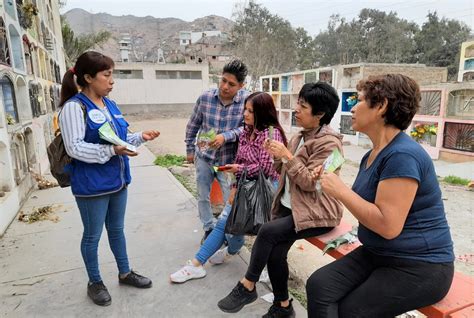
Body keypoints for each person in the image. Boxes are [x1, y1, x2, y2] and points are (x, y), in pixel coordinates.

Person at [306, 74, 455, 317]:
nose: (353, 107)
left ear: (382, 106)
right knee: (320, 286)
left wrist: (340, 191)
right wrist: (329, 183)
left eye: (361, 100)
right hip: (379, 253)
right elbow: (366, 206)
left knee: (351, 311)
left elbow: (388, 226)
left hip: (420, 265)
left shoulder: (402, 156)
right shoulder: (373, 154)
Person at [217, 82, 344, 318]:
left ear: (320, 114)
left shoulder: (330, 145)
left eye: (303, 106)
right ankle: (283, 306)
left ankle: (247, 285)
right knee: (275, 254)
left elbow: (311, 183)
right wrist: (277, 157)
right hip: (291, 207)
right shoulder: (299, 137)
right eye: (298, 103)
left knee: (266, 231)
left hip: (316, 212)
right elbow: (284, 172)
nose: (296, 109)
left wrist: (286, 155)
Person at [58, 51, 160, 306]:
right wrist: (110, 151)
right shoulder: (74, 107)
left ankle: (125, 272)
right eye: (107, 75)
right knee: (92, 236)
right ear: (88, 77)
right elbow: (74, 148)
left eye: (112, 74)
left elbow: (119, 140)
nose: (112, 80)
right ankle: (95, 282)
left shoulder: (110, 104)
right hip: (91, 186)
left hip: (118, 181)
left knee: (117, 230)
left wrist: (140, 137)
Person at [170, 92, 287, 283]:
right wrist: (234, 186)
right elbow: (239, 159)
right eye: (245, 109)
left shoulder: (271, 134)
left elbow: (266, 168)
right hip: (244, 185)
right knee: (226, 222)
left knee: (262, 231)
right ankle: (198, 264)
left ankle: (202, 263)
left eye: (251, 111)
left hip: (265, 190)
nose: (245, 114)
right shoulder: (246, 131)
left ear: (263, 112)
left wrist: (239, 169)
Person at [185, 59, 249, 243]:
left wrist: (225, 136)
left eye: (231, 84)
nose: (225, 87)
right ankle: (208, 227)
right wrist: (190, 149)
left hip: (228, 162)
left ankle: (228, 231)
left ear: (241, 85)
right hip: (204, 157)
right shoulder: (205, 98)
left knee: (231, 198)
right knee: (203, 195)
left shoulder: (246, 102)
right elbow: (193, 124)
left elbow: (247, 128)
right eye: (223, 81)